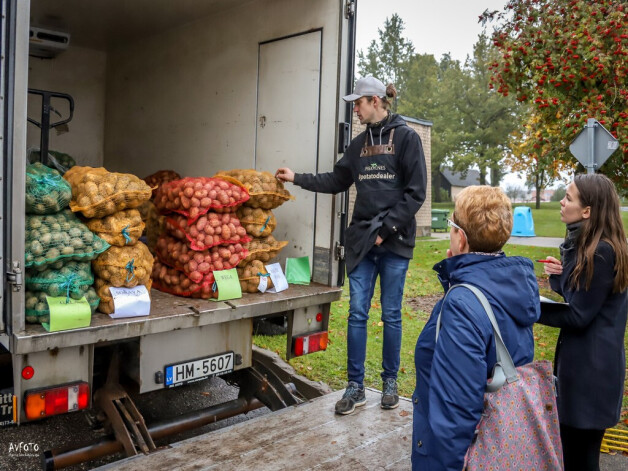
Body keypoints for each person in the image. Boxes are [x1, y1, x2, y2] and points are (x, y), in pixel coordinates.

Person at [275, 75, 427, 414]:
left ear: (374, 101)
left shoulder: (406, 138)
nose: (354, 109)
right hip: (362, 242)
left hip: (394, 242)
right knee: (357, 315)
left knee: (391, 315)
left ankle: (389, 382)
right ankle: (355, 386)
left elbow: (416, 193)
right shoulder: (358, 146)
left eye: (357, 103)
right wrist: (297, 177)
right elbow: (336, 180)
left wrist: (385, 230)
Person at [412, 185, 540, 471]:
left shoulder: (462, 302)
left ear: (461, 237)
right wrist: (456, 272)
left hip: (467, 455)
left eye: (452, 224)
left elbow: (455, 410)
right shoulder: (512, 284)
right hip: (501, 444)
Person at [537, 173, 628, 471]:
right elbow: (580, 296)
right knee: (573, 456)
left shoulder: (601, 252)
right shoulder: (594, 246)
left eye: (568, 198)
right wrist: (559, 274)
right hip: (587, 370)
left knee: (581, 460)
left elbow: (578, 315)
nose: (562, 202)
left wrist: (528, 309)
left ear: (587, 211)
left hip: (592, 375)